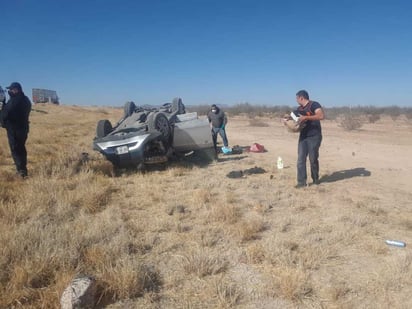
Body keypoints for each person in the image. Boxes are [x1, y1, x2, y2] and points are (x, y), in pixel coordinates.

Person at [292, 90, 324, 188]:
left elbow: (321, 115)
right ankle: (301, 182)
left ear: (301, 98)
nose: (296, 100)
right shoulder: (299, 109)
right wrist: (286, 120)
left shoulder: (314, 105)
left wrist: (306, 117)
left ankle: (315, 179)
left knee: (313, 159)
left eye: (296, 98)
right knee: (301, 159)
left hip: (314, 136)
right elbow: (292, 117)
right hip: (303, 137)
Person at [1, 82, 32, 177]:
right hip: (24, 129)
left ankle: (21, 171)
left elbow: (5, 113)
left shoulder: (14, 100)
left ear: (16, 90)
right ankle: (22, 168)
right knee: (21, 148)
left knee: (16, 149)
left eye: (11, 90)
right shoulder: (26, 99)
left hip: (14, 130)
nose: (9, 91)